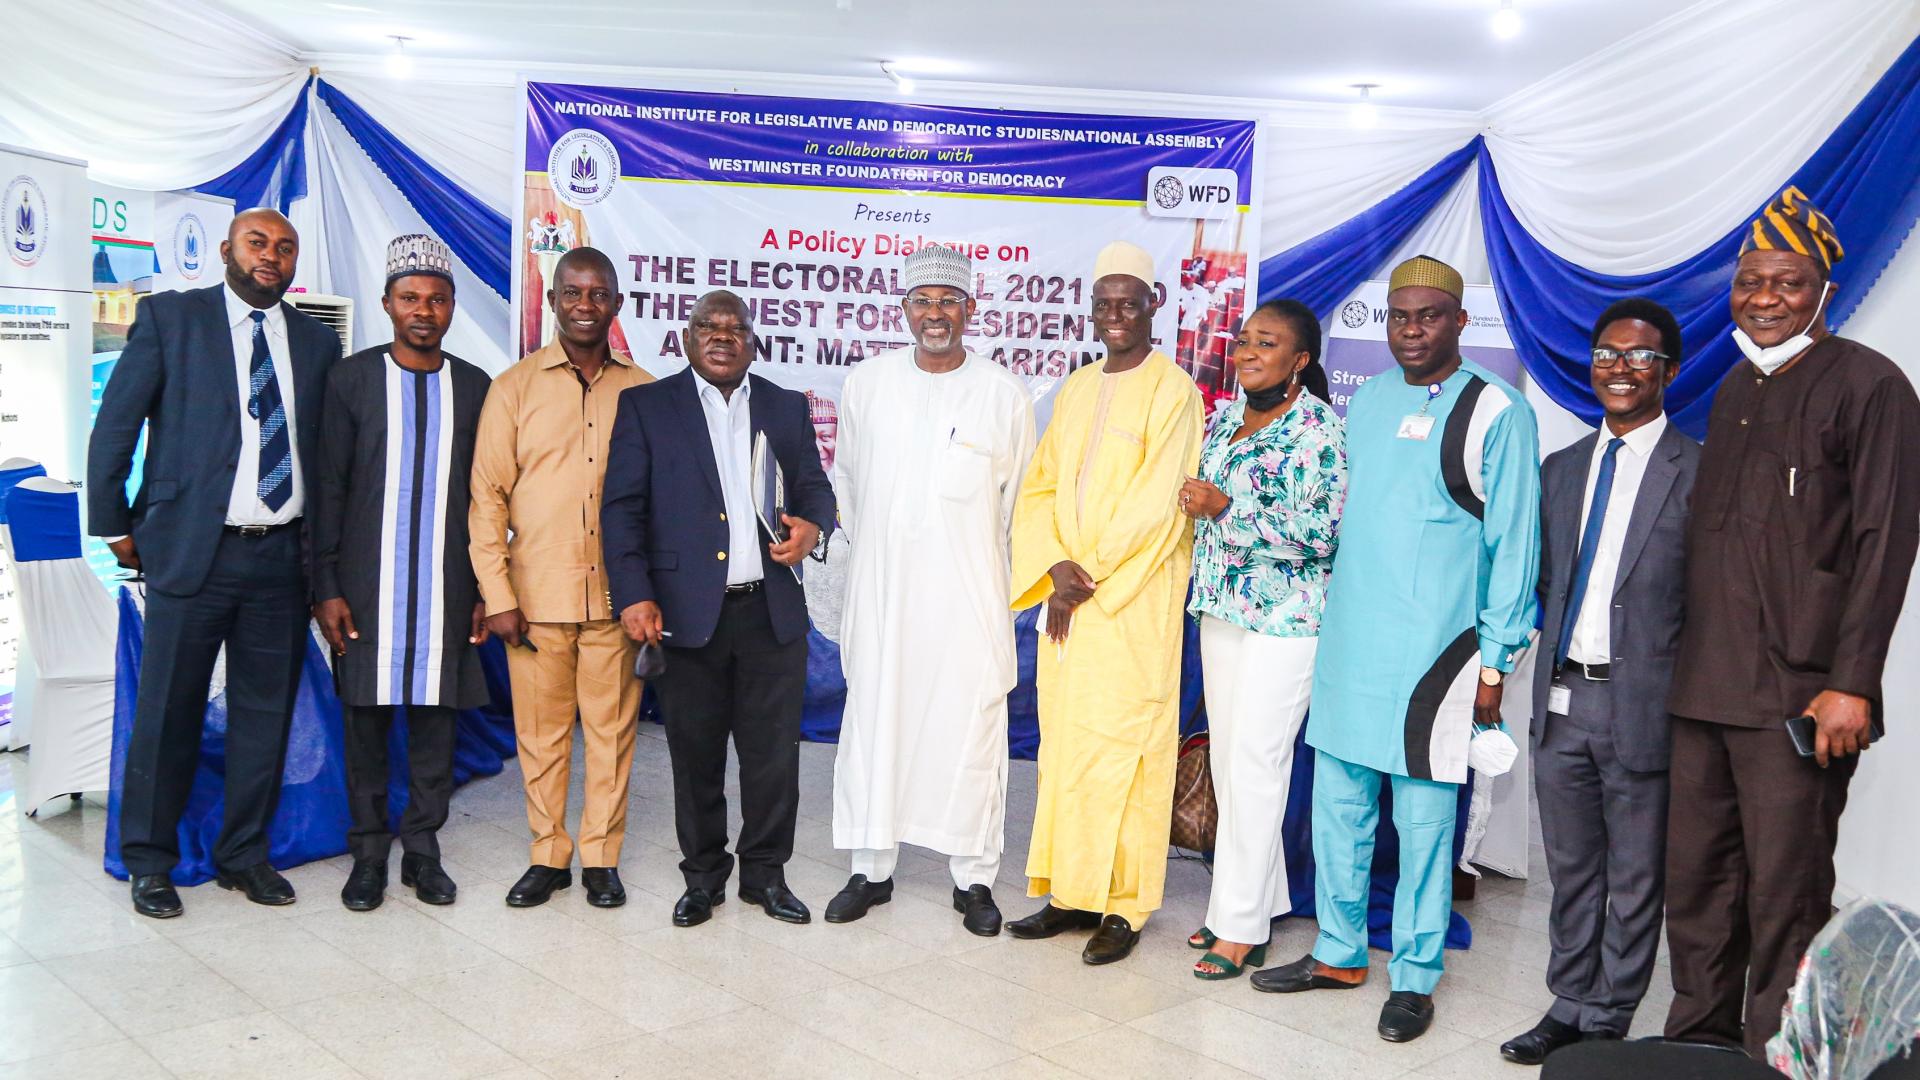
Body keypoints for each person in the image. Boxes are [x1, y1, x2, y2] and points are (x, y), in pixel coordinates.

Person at [1251, 256, 1540, 1044]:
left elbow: (1515, 545)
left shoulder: (1498, 410)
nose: (1411, 330)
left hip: (1437, 654)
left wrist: (1496, 663)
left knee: (1422, 822)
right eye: (1399, 317)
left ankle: (1414, 975)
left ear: (1457, 321)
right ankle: (1340, 952)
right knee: (1339, 809)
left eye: (1428, 316)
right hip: (1351, 640)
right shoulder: (1368, 399)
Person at [1664, 188, 1920, 1057]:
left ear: (1824, 292)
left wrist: (1850, 684)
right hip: (1704, 691)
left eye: (1788, 281)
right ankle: (1697, 1042)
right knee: (1696, 886)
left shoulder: (1870, 385)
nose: (1765, 298)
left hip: (1801, 697)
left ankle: (1776, 1054)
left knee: (1786, 891)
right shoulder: (1735, 385)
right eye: (1750, 281)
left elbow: (1887, 542)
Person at [87, 208, 343, 918]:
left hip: (279, 560)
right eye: (258, 243)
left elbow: (323, 460)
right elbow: (117, 423)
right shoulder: (173, 319)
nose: (272, 256)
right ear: (228, 250)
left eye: (285, 248)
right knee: (167, 711)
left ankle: (243, 854)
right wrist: (113, 525)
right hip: (192, 550)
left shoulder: (317, 345)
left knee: (266, 714)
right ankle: (148, 860)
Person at [1499, 299, 1699, 1064]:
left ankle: (1610, 1014)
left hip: (1644, 703)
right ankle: (1567, 1001)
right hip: (1562, 702)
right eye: (1606, 356)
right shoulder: (1564, 469)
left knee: (1637, 873)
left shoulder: (1698, 470)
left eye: (1639, 358)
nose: (1620, 369)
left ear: (1669, 372)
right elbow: (1546, 583)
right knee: (1574, 868)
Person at [601, 290, 836, 928]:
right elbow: (621, 510)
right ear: (687, 335)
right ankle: (702, 878)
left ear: (753, 340)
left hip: (770, 615)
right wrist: (634, 594)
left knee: (773, 759)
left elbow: (815, 486)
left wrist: (814, 524)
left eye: (736, 327)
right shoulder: (648, 407)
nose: (723, 336)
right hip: (684, 615)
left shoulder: (785, 407)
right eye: (709, 325)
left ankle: (766, 876)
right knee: (695, 756)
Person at [822, 245, 1037, 936]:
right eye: (923, 300)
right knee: (877, 725)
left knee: (969, 732)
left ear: (971, 310)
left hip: (967, 600)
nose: (935, 313)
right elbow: (849, 484)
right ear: (904, 309)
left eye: (949, 300)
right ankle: (870, 867)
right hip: (885, 595)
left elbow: (1020, 506)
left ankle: (974, 878)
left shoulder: (1003, 393)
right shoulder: (867, 382)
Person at [1005, 240, 1204, 965]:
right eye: (1104, 304)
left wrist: (1086, 580)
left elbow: (1161, 506)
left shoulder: (1173, 390)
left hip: (1129, 606)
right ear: (1091, 312)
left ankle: (1124, 905)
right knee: (1067, 751)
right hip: (1070, 605)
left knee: (1129, 756)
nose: (1116, 315)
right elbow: (1041, 488)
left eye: (1129, 302)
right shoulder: (1080, 387)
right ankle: (1068, 893)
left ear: (1153, 306)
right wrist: (1054, 567)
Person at [311, 235, 493, 912]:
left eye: (437, 299)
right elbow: (327, 489)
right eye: (411, 297)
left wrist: (481, 590)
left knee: (434, 725)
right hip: (365, 589)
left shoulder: (475, 387)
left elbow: (485, 497)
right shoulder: (351, 380)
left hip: (444, 589)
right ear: (388, 303)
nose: (425, 310)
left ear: (452, 307)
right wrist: (324, 585)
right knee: (364, 724)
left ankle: (422, 849)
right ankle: (367, 854)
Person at [470, 247, 652, 909]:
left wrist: (647, 594)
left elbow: (662, 501)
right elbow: (486, 497)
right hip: (536, 599)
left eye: (597, 294)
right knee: (541, 736)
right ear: (551, 302)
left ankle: (601, 857)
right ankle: (548, 854)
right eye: (572, 292)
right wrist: (498, 594)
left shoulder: (644, 390)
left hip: (616, 600)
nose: (584, 304)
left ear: (615, 305)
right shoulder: (512, 388)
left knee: (611, 735)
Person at [1178, 299, 1346, 980]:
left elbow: (1322, 534)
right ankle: (1256, 896)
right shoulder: (1223, 416)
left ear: (1300, 359)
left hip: (1288, 620)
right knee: (1230, 764)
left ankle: (1240, 925)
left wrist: (1226, 508)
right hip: (1222, 609)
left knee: (1257, 763)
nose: (1247, 352)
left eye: (1266, 343)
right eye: (1243, 341)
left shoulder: (1320, 430)